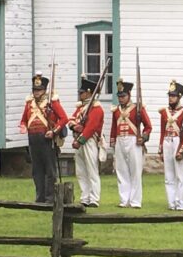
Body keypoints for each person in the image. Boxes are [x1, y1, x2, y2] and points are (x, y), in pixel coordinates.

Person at [18, 72, 68, 204]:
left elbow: (64, 118)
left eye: (39, 90)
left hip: (46, 138)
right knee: (37, 170)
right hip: (33, 138)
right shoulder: (29, 103)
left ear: (44, 90)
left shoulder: (52, 102)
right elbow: (24, 120)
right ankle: (39, 197)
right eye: (35, 90)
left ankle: (50, 198)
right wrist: (23, 126)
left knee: (49, 170)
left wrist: (54, 131)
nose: (36, 92)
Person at [109, 78, 152, 208]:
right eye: (119, 96)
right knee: (121, 171)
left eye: (123, 96)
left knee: (135, 171)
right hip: (120, 140)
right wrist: (113, 141)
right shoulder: (116, 110)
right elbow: (113, 127)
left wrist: (143, 137)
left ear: (129, 95)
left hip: (133, 140)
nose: (121, 98)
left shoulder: (137, 108)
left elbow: (148, 126)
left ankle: (135, 201)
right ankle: (124, 200)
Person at [68, 76, 105, 207]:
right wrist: (74, 126)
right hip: (79, 139)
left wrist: (81, 140)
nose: (80, 94)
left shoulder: (96, 108)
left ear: (89, 92)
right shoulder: (82, 107)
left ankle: (94, 198)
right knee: (81, 171)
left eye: (82, 92)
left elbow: (91, 127)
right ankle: (85, 196)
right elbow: (71, 119)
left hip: (89, 141)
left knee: (92, 170)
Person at [159, 79, 183, 210]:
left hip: (178, 141)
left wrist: (181, 149)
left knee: (180, 176)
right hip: (167, 141)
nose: (170, 98)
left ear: (179, 97)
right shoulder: (164, 112)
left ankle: (180, 204)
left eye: (173, 96)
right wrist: (160, 148)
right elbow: (162, 131)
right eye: (170, 96)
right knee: (169, 176)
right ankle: (171, 203)